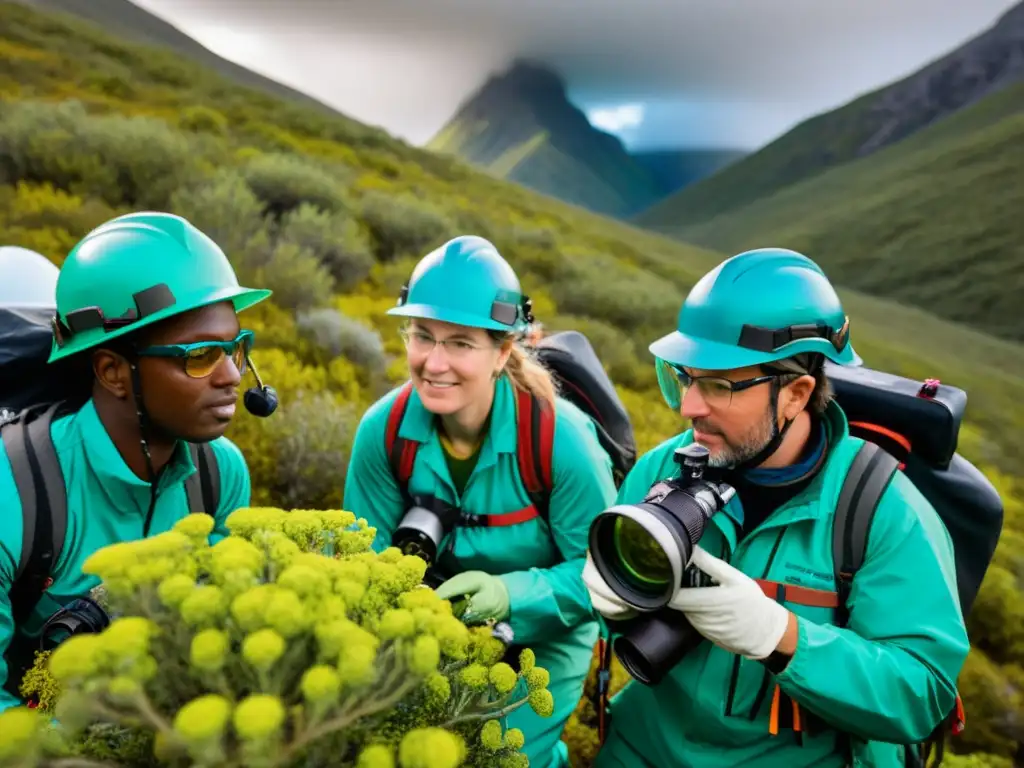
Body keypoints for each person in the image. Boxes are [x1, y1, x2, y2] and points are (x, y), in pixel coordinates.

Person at [585, 248, 969, 767]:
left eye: (718, 385)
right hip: (641, 752)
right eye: (684, 377)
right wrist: (618, 602)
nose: (689, 406)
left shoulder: (883, 511)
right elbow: (619, 620)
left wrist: (782, 636)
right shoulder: (661, 470)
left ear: (796, 393)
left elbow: (921, 696)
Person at [343, 235, 617, 768]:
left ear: (503, 353)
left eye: (461, 343)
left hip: (547, 637)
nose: (434, 362)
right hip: (431, 621)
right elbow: (364, 557)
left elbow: (599, 575)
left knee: (497, 757)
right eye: (422, 336)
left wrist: (509, 595)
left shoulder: (563, 443)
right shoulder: (385, 430)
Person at [0, 212, 273, 712]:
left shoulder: (221, 475)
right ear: (112, 372)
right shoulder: (14, 490)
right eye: (199, 356)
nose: (233, 376)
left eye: (236, 348)